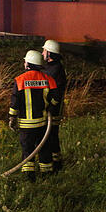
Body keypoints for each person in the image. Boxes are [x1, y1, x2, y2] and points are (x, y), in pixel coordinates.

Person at [8, 49, 59, 181]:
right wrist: (50, 107)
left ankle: (29, 176)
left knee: (27, 149)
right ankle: (47, 174)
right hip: (42, 123)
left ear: (28, 64)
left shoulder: (19, 80)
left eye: (25, 61)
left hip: (26, 125)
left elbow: (15, 102)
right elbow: (56, 98)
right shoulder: (48, 79)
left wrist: (12, 117)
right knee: (43, 147)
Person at [40, 39, 67, 172]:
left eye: (44, 50)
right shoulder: (51, 68)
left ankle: (56, 164)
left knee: (51, 137)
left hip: (53, 110)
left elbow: (57, 93)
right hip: (50, 108)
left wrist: (51, 106)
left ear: (50, 54)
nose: (42, 53)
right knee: (49, 136)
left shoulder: (55, 70)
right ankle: (54, 162)